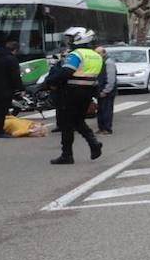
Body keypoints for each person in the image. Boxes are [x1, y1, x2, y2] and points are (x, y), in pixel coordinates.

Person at [43, 27, 104, 165]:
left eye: (71, 39)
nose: (69, 42)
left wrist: (47, 83)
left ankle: (67, 155)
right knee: (78, 121)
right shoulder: (96, 55)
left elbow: (66, 72)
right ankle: (94, 144)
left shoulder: (76, 54)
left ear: (79, 39)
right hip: (88, 93)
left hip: (71, 92)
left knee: (66, 124)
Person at [94, 44, 117, 135]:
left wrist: (106, 90)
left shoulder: (109, 62)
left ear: (104, 53)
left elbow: (111, 79)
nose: (97, 55)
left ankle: (107, 128)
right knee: (100, 110)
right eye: (96, 53)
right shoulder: (99, 62)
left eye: (99, 53)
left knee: (107, 110)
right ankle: (101, 128)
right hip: (100, 90)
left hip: (107, 91)